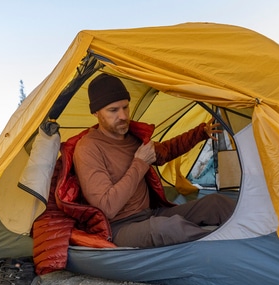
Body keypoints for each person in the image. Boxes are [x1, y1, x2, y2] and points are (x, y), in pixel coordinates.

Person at [72, 73, 236, 247]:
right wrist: (140, 163)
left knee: (217, 203)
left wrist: (201, 132)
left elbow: (167, 151)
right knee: (169, 228)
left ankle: (257, 236)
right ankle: (225, 248)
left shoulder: (133, 137)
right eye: (113, 110)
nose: (123, 116)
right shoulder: (88, 149)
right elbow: (108, 207)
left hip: (151, 214)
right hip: (119, 227)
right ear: (96, 113)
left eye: (125, 107)